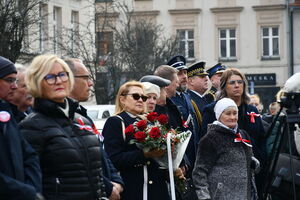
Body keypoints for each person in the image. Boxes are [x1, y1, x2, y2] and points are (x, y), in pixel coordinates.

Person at [19, 55, 106, 200]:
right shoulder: (31, 127)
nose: (59, 81)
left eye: (62, 75)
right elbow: (29, 183)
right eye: (50, 77)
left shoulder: (82, 120)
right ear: (37, 83)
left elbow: (98, 175)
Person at [201, 68, 266, 198]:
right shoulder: (212, 110)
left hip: (252, 172)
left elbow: (261, 140)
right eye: (232, 83)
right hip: (223, 175)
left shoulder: (252, 110)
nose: (237, 85)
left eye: (239, 82)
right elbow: (204, 143)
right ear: (224, 86)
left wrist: (262, 165)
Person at [65, 58, 124, 200]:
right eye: (85, 78)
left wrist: (117, 181)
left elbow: (101, 154)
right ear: (69, 80)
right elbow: (77, 164)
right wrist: (108, 187)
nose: (91, 83)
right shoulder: (64, 119)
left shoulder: (83, 116)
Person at [102, 81, 170, 200]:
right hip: (133, 189)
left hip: (156, 188)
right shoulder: (116, 122)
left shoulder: (151, 122)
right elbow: (112, 159)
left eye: (143, 97)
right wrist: (144, 154)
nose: (140, 100)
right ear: (122, 99)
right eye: (135, 96)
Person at [193, 98, 258, 200]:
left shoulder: (243, 135)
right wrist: (204, 197)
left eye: (235, 113)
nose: (232, 117)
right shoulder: (210, 139)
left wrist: (252, 162)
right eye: (228, 114)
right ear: (219, 115)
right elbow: (199, 173)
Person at [0, 56, 43, 200]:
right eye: (9, 80)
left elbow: (29, 156)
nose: (14, 86)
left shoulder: (7, 114)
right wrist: (24, 192)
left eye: (16, 81)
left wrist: (33, 189)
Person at [186, 61, 210, 141]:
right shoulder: (190, 100)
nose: (206, 79)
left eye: (206, 76)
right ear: (191, 81)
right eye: (202, 77)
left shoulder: (203, 99)